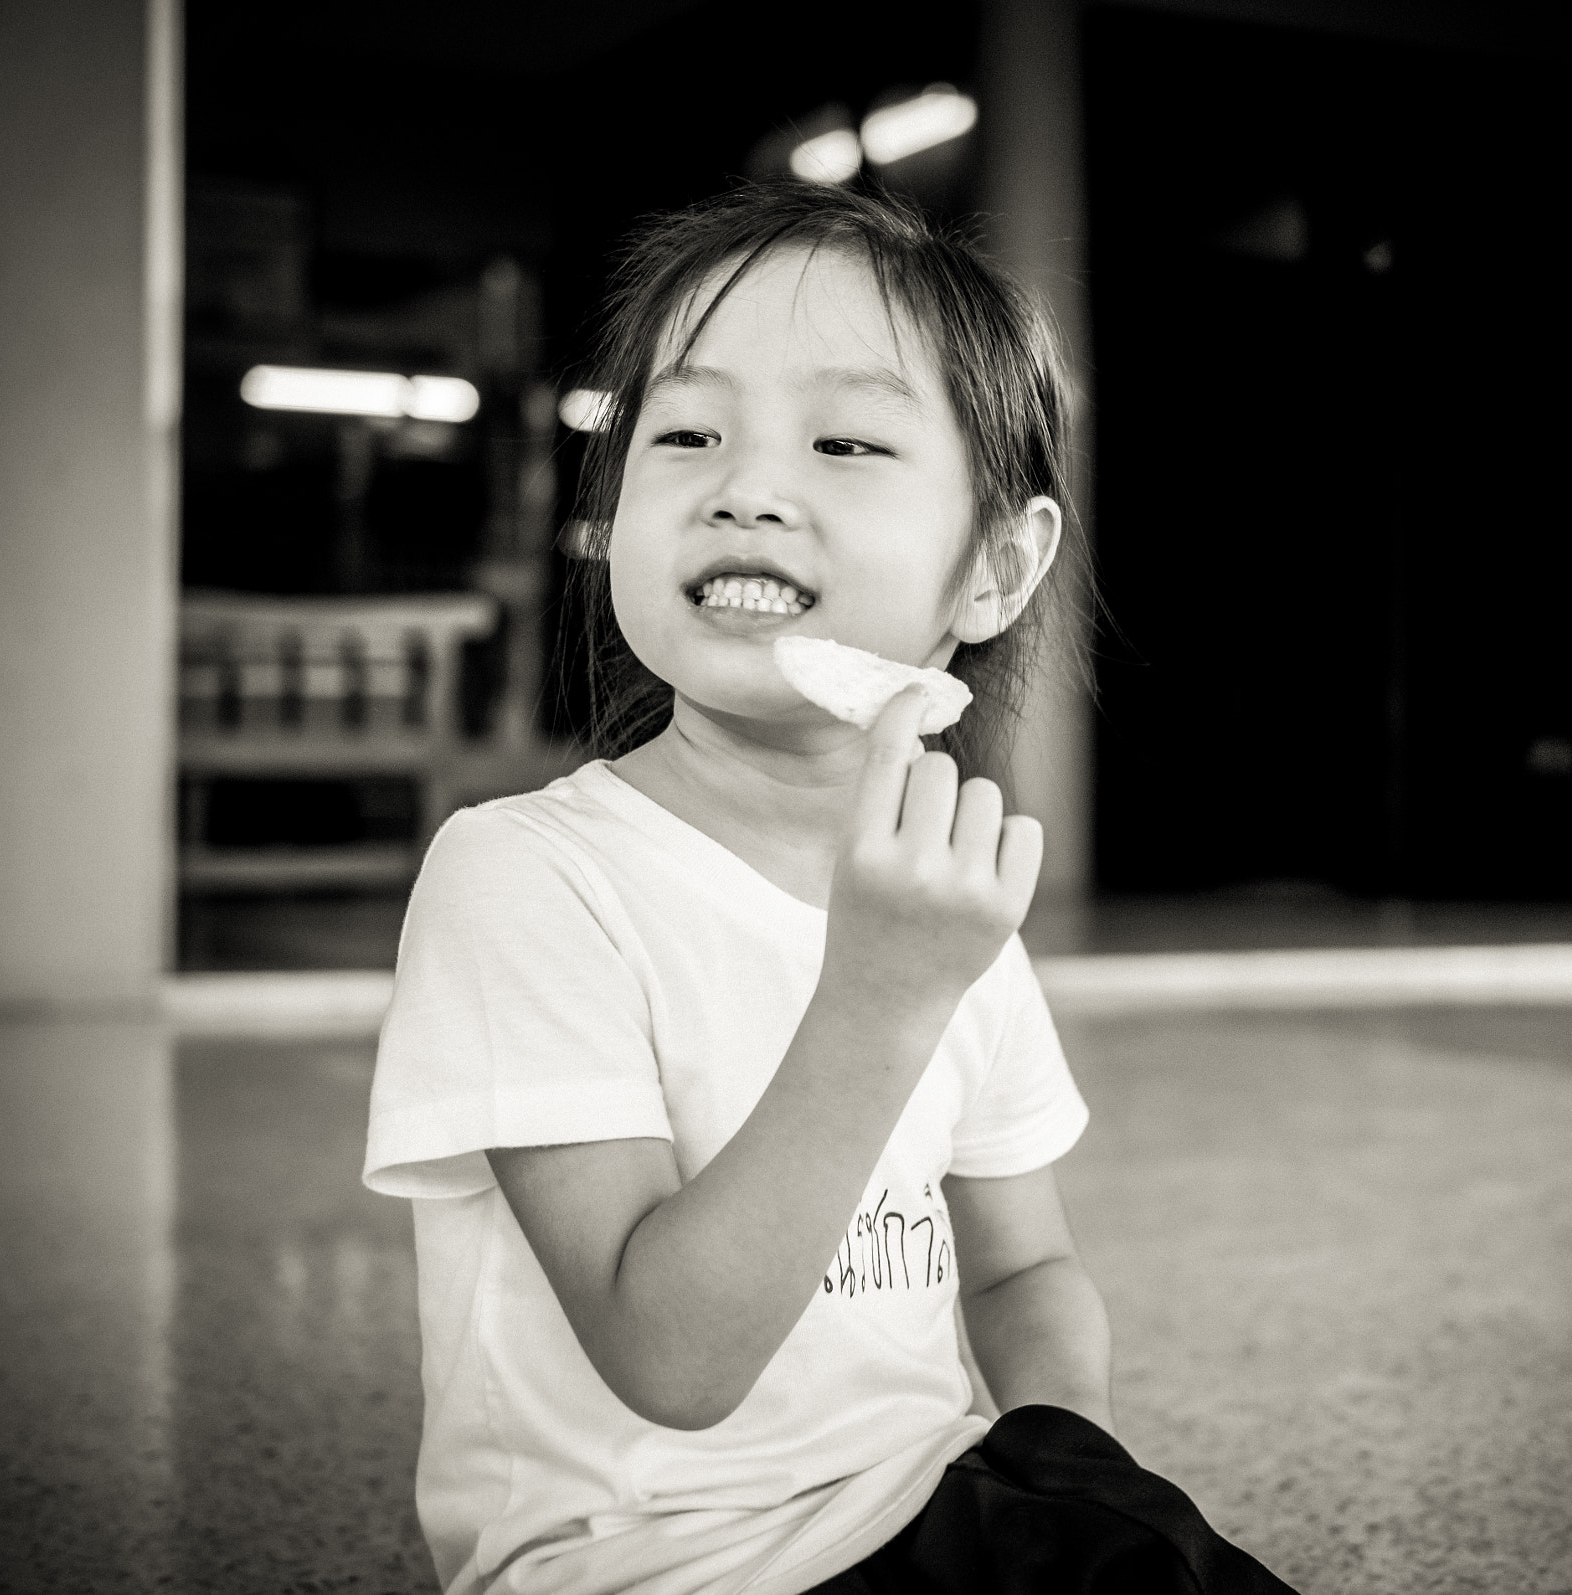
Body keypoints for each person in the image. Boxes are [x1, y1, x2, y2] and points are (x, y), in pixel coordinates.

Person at [363, 183, 1297, 1595]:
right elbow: (669, 1361)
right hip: (660, 1567)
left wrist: (1071, 1471)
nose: (744, 484)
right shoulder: (530, 880)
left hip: (931, 1505)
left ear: (993, 569)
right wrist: (883, 991)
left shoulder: (937, 897)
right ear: (612, 520)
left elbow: (1021, 1273)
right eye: (683, 435)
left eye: (846, 440)